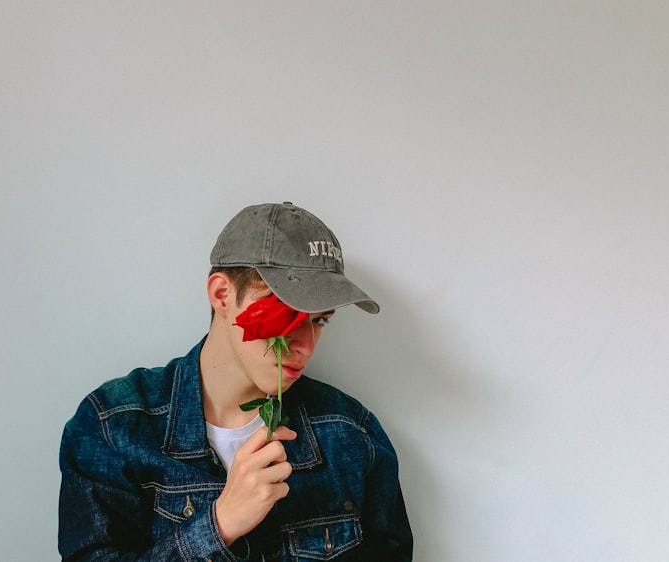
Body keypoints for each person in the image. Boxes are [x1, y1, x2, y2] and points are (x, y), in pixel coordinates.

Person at [58, 202, 412, 561]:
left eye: (319, 320)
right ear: (222, 295)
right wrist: (219, 524)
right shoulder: (114, 428)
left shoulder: (351, 433)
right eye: (286, 312)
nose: (306, 346)